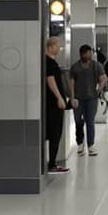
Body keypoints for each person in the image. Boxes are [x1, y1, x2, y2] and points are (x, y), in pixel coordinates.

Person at [67, 44, 104, 155]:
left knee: (90, 122)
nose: (89, 55)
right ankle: (80, 143)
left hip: (91, 98)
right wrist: (72, 97)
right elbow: (71, 82)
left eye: (90, 53)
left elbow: (103, 78)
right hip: (78, 98)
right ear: (82, 54)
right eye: (88, 53)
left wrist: (99, 89)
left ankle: (91, 145)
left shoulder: (96, 66)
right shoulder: (75, 67)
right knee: (78, 121)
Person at [43, 37, 69, 173]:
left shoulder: (49, 62)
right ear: (51, 46)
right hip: (53, 105)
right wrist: (59, 98)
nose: (59, 48)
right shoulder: (50, 63)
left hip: (51, 104)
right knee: (55, 133)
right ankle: (52, 164)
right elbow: (50, 81)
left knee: (53, 133)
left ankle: (50, 162)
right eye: (58, 46)